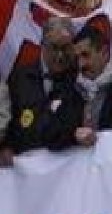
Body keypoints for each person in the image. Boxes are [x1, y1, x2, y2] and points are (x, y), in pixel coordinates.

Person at [0, 19, 83, 165]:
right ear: (42, 46)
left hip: (66, 169)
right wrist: (6, 146)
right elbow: (10, 118)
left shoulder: (80, 80)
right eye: (54, 48)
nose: (60, 55)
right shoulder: (20, 78)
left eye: (65, 48)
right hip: (25, 171)